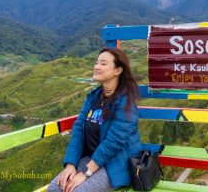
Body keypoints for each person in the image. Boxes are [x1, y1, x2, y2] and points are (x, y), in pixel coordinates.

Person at [48, 48, 142, 192]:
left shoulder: (125, 101)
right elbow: (79, 130)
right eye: (97, 62)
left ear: (117, 70)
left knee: (78, 191)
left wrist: (85, 173)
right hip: (93, 159)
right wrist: (71, 165)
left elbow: (114, 142)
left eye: (103, 64)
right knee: (55, 188)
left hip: (116, 163)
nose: (96, 66)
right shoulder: (93, 97)